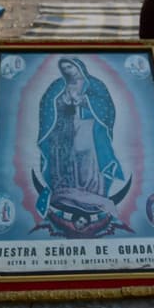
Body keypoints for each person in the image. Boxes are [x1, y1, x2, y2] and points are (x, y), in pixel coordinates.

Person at [34, 57, 125, 222]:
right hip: (63, 131)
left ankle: (93, 196)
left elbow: (106, 107)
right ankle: (68, 193)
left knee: (89, 163)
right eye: (64, 68)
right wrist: (61, 101)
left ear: (79, 67)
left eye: (70, 66)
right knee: (66, 162)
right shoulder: (57, 85)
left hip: (89, 130)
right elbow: (47, 105)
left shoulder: (94, 84)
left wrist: (84, 101)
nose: (67, 70)